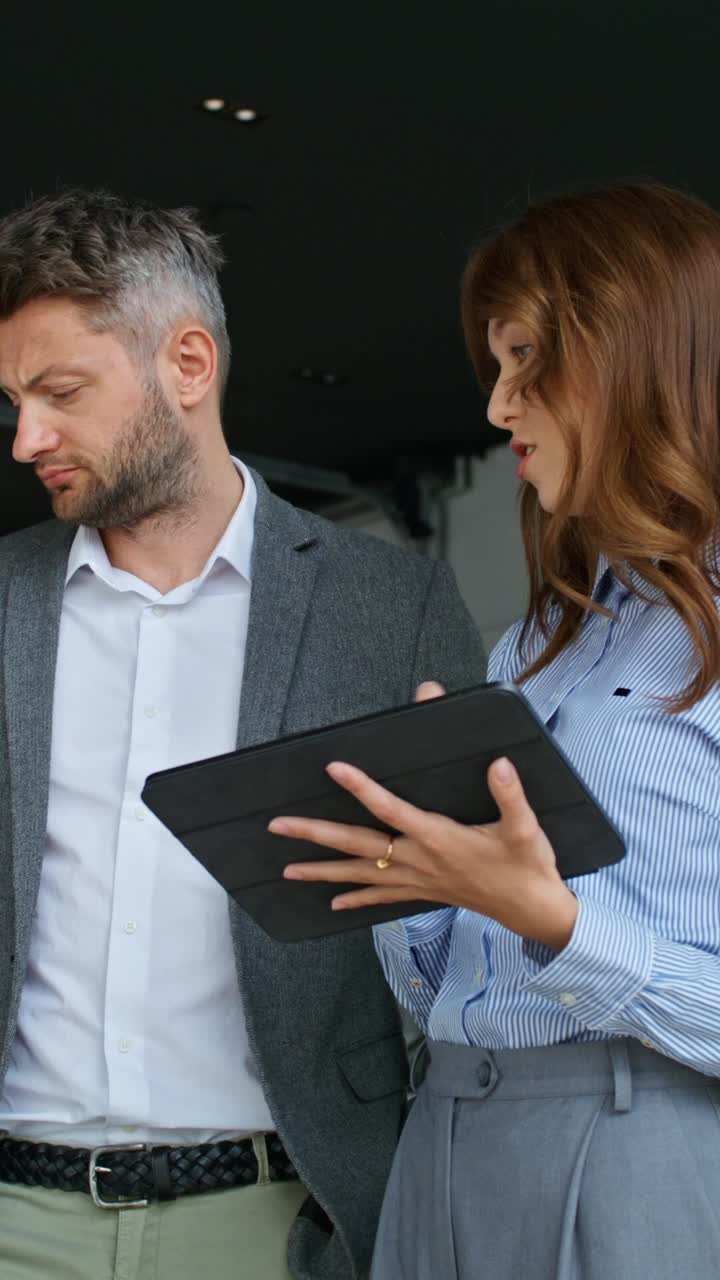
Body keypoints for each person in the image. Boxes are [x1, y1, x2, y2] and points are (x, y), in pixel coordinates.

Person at [0, 188, 487, 1280]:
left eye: (59, 392)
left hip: (281, 1223)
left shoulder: (392, 605)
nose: (27, 437)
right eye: (14, 401)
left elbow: (473, 926)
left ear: (186, 363)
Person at [270, 182, 720, 1279]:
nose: (498, 407)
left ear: (637, 358)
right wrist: (418, 871)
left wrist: (557, 921)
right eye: (496, 367)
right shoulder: (528, 648)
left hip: (645, 1140)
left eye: (528, 363)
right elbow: (443, 988)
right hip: (448, 1127)